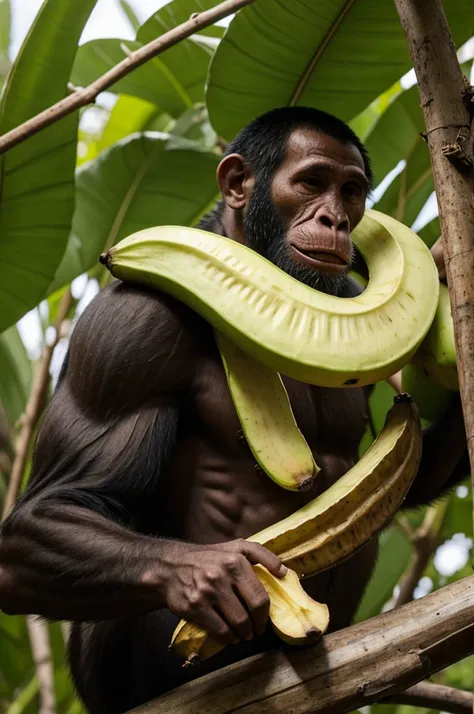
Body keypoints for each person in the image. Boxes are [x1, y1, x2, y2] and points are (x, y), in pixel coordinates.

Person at [0, 107, 467, 714]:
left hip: (321, 677)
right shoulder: (151, 316)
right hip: (173, 687)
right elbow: (20, 556)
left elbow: (377, 492)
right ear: (238, 184)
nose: (334, 213)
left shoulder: (352, 322)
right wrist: (174, 567)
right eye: (311, 182)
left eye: (351, 192)